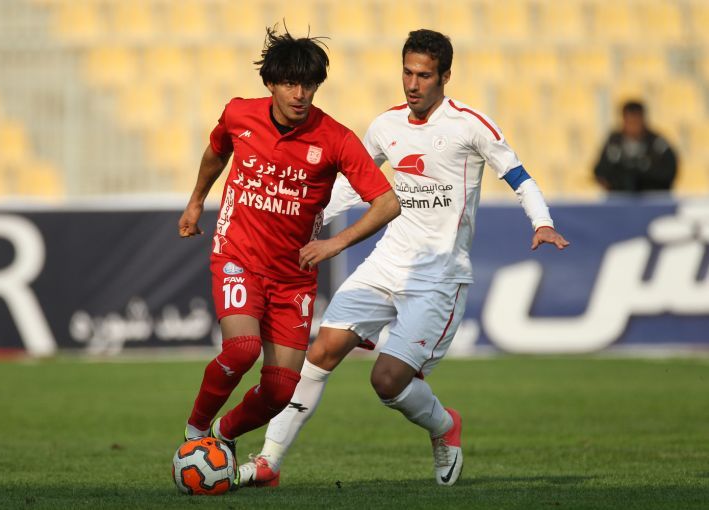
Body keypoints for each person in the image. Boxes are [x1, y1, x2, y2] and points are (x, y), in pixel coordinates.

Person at [238, 29, 569, 488]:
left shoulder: (470, 125)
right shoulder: (385, 127)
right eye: (407, 73)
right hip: (386, 263)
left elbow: (518, 175)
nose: (413, 84)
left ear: (445, 76)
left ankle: (444, 425)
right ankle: (269, 461)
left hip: (439, 276)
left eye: (424, 76)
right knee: (320, 352)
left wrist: (542, 222)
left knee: (387, 380)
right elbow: (351, 187)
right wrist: (307, 222)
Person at [177, 25, 400, 466]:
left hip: (292, 277)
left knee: (280, 389)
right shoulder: (239, 114)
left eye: (309, 85)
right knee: (242, 349)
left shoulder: (335, 138)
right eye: (290, 84)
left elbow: (387, 203)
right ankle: (194, 433)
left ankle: (221, 436)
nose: (300, 94)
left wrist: (335, 243)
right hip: (238, 255)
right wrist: (196, 201)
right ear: (271, 84)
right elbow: (216, 151)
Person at [594, 100, 678, 192]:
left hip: (652, 197)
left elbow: (669, 171)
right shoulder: (614, 142)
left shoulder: (657, 144)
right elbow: (600, 172)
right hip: (620, 197)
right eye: (630, 122)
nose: (633, 127)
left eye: (636, 122)